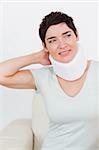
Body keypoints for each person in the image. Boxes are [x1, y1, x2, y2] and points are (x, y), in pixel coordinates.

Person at [0, 11, 98, 150]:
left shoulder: (97, 71)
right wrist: (36, 57)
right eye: (52, 40)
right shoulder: (42, 77)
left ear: (77, 35)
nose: (62, 44)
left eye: (67, 35)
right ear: (45, 46)